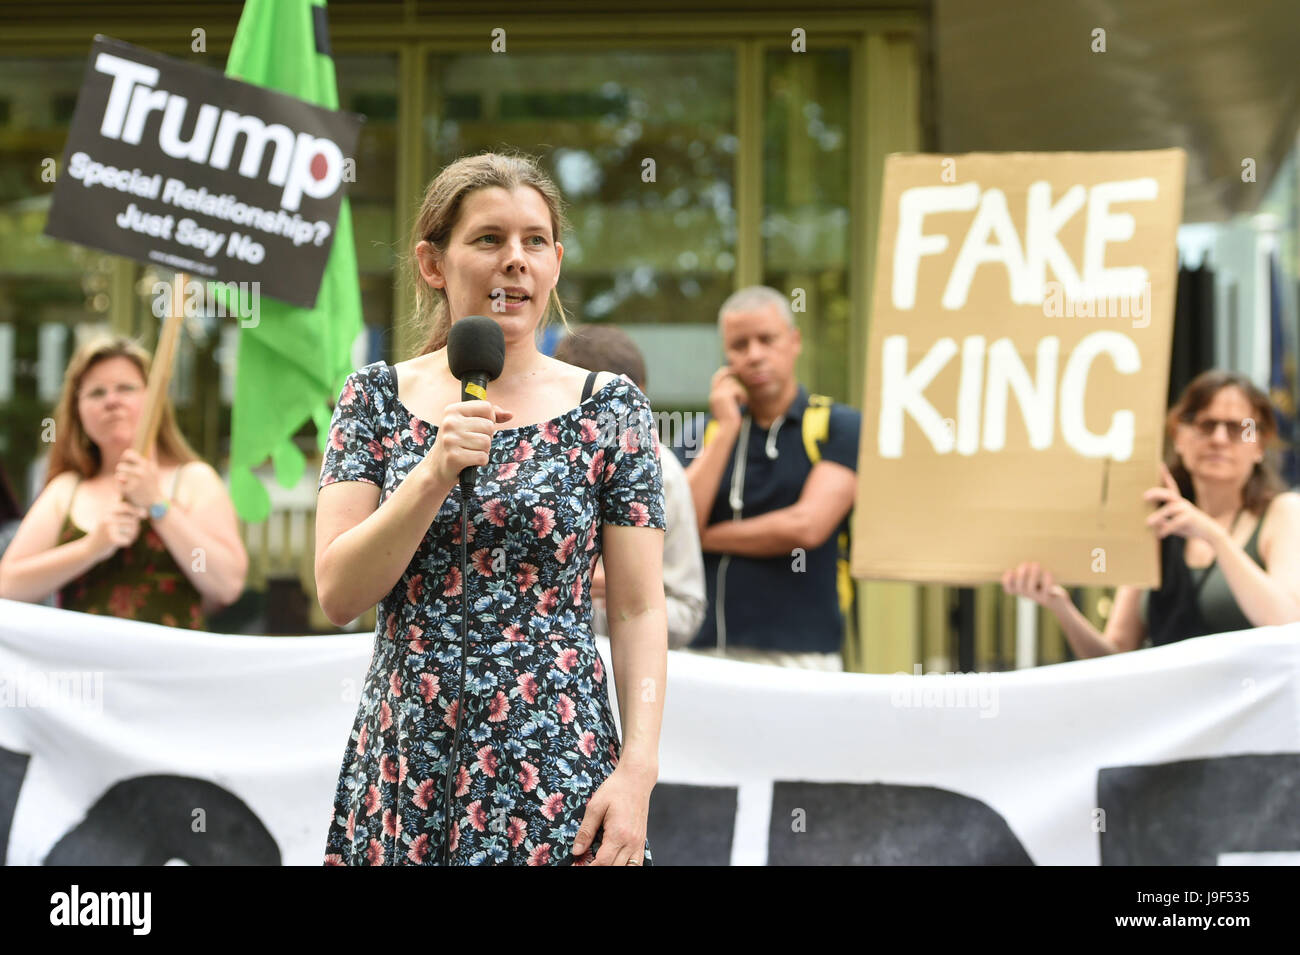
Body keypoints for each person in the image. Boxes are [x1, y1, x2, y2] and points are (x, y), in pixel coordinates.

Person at [314, 151, 667, 866]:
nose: (515, 261)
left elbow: (637, 609)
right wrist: (433, 472)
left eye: (534, 241)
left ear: (557, 262)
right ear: (432, 263)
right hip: (409, 767)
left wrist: (638, 773)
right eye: (488, 239)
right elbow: (338, 591)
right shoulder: (372, 400)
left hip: (559, 766)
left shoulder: (611, 408)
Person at [1002, 369, 1300, 656]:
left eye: (1238, 428)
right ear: (1179, 437)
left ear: (1259, 444)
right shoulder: (1155, 521)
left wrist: (1213, 536)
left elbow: (1288, 623)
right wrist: (1060, 606)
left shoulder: (1282, 513)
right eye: (1205, 425)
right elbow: (1116, 655)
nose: (1219, 439)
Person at [0, 335, 248, 629]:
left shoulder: (194, 480)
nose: (111, 401)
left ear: (154, 400)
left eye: (125, 388)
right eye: (96, 393)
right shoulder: (66, 491)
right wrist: (90, 548)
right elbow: (7, 588)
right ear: (77, 410)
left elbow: (227, 585)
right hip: (86, 670)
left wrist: (159, 506)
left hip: (172, 670)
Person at [680, 286, 860, 671]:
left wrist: (708, 538)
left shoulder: (838, 425)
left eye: (767, 339)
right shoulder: (702, 434)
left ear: (794, 342)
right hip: (704, 651)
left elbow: (806, 526)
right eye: (740, 345)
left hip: (802, 652)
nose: (755, 355)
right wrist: (726, 429)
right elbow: (680, 524)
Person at [552, 323, 707, 648]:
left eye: (631, 407)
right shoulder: (535, 463)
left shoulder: (665, 473)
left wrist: (621, 593)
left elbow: (686, 611)